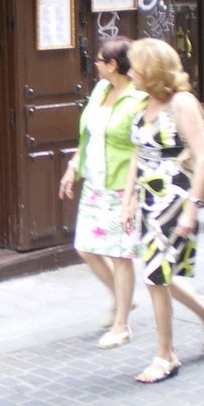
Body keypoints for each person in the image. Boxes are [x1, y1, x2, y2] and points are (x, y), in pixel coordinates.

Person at [121, 38, 204, 384]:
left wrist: (191, 210)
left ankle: (165, 355)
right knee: (159, 274)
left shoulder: (181, 103)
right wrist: (128, 198)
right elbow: (137, 155)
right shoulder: (144, 103)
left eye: (135, 66)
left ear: (151, 71)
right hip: (148, 198)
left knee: (155, 275)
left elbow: (203, 158)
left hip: (173, 198)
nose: (130, 72)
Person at [59, 36, 146, 349]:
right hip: (95, 181)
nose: (94, 64)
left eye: (99, 60)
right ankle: (123, 299)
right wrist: (73, 167)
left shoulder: (138, 99)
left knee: (121, 254)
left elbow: (141, 148)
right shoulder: (100, 90)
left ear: (113, 65)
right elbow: (88, 135)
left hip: (122, 185)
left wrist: (133, 194)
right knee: (85, 247)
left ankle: (122, 324)